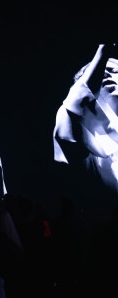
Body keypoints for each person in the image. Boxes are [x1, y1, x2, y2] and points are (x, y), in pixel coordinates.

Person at [53, 43, 118, 192]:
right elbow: (74, 107)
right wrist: (104, 50)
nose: (106, 74)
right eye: (101, 71)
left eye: (114, 71)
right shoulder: (92, 145)